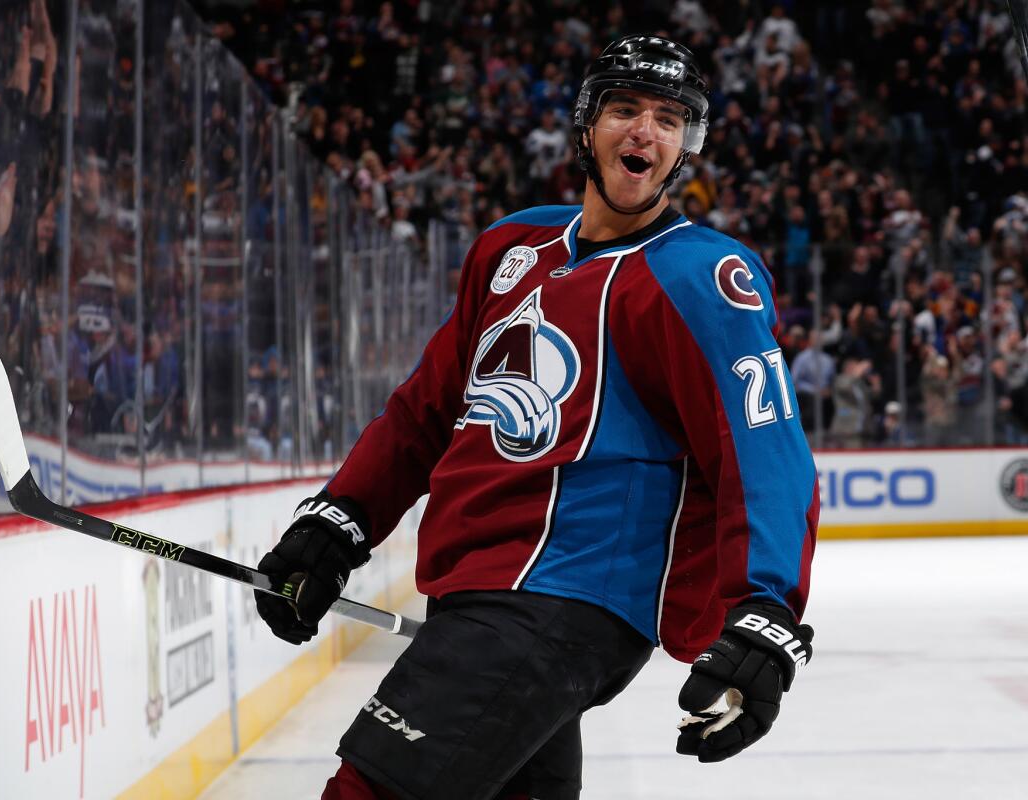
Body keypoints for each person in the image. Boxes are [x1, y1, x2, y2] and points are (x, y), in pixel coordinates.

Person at [254, 36, 819, 800]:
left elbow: (763, 450)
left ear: (688, 143)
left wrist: (766, 609)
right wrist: (342, 517)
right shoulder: (511, 247)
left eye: (668, 117)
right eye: (624, 109)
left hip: (564, 600)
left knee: (369, 791)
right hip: (480, 590)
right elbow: (428, 408)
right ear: (586, 126)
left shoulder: (701, 277)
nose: (644, 132)